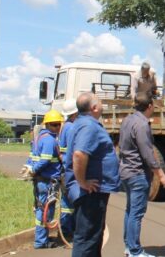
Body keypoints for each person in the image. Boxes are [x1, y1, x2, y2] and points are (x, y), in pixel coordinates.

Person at [65, 92, 120, 257]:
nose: (102, 104)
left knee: (94, 236)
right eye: (100, 102)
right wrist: (82, 182)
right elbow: (79, 154)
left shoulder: (84, 123)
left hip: (93, 192)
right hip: (90, 192)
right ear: (94, 107)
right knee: (87, 238)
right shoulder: (89, 126)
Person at [119, 93, 165, 257]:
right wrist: (162, 175)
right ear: (150, 106)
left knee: (130, 211)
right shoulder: (142, 125)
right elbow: (148, 153)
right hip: (137, 174)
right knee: (136, 213)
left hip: (126, 172)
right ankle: (135, 251)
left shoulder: (127, 120)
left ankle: (129, 247)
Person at [30, 109, 63, 249]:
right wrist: (33, 170)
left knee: (41, 208)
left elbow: (32, 158)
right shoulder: (50, 140)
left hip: (41, 180)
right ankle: (41, 241)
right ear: (47, 125)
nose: (57, 127)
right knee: (45, 211)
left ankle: (41, 240)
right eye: (54, 125)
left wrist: (30, 168)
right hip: (48, 180)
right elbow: (45, 161)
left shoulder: (39, 138)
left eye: (58, 124)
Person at [58, 99, 79, 240]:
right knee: (69, 202)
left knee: (67, 202)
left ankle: (66, 229)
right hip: (69, 170)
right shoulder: (71, 128)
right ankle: (67, 230)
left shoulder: (65, 126)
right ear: (75, 112)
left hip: (65, 169)